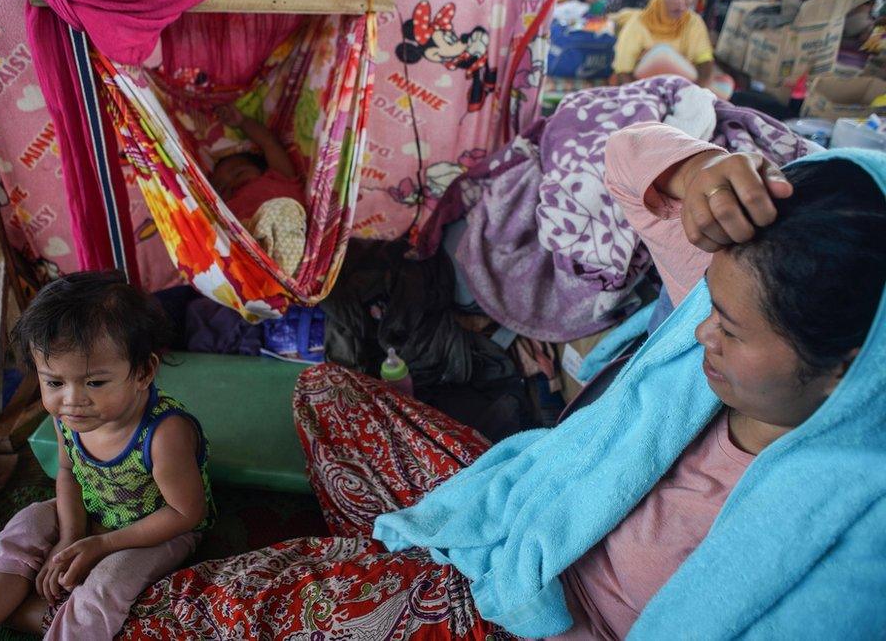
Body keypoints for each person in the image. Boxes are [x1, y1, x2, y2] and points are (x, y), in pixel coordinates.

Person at [105, 127, 886, 639]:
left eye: (734, 328)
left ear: (846, 372)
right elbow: (620, 158)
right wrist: (702, 167)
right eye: (707, 305)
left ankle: (374, 579)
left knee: (248, 606)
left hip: (524, 619)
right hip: (520, 515)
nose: (700, 331)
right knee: (327, 392)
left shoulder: (846, 526)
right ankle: (391, 562)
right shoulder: (721, 324)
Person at [0, 271, 216, 640]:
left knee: (106, 584)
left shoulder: (163, 433)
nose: (72, 400)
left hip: (158, 530)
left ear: (144, 372)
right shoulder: (67, 417)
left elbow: (186, 513)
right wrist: (70, 535)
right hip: (95, 510)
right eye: (54, 382)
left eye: (94, 382)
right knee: (25, 524)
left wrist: (101, 544)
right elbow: (69, 472)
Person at [210, 105, 308, 275]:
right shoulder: (226, 208)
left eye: (239, 173)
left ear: (262, 168)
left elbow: (268, 143)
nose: (232, 184)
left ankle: (280, 273)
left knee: (281, 208)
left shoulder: (278, 177)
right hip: (244, 245)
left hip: (284, 236)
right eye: (221, 188)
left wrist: (242, 121)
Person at [613, 0, 714, 88]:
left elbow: (705, 59)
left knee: (725, 84)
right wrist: (638, 94)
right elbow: (623, 70)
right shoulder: (638, 23)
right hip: (643, 85)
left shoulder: (693, 22)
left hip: (682, 86)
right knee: (662, 52)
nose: (681, 2)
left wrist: (698, 90)